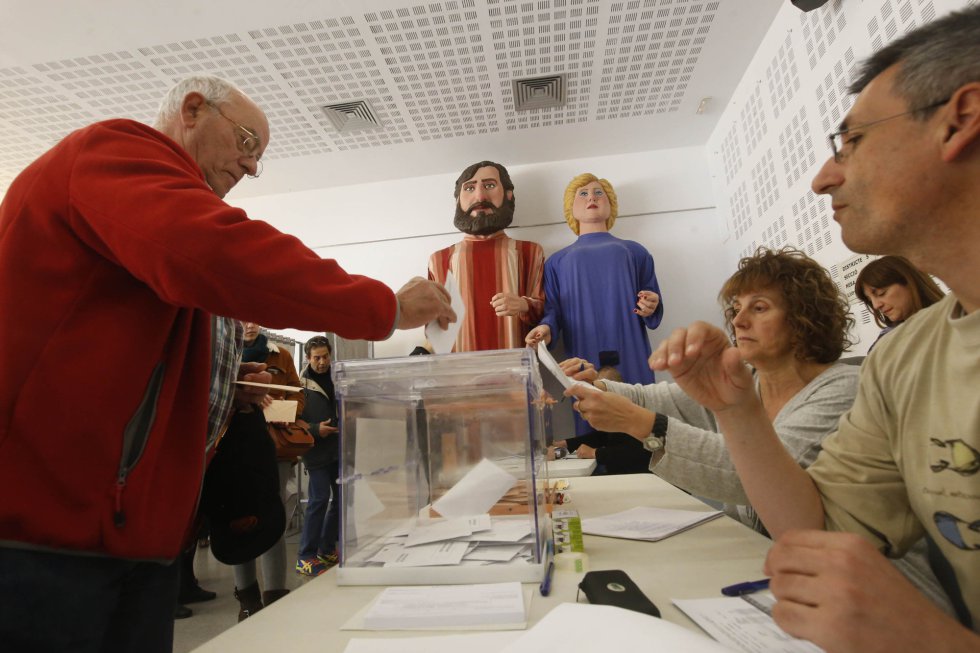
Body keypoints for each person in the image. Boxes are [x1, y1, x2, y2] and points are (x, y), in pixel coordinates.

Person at [0, 75, 454, 652]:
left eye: (259, 156)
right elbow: (218, 253)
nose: (251, 167)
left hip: (127, 534)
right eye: (245, 143)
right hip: (51, 530)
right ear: (193, 109)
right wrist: (382, 305)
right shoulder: (110, 150)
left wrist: (221, 391)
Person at [647, 7, 980, 650]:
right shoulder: (904, 356)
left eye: (851, 142)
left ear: (960, 120)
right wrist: (736, 411)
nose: (824, 175)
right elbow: (818, 527)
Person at [526, 173, 663, 435]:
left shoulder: (635, 251)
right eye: (583, 193)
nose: (592, 197)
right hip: (583, 351)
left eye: (599, 193)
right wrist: (546, 329)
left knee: (640, 415)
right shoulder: (556, 263)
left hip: (630, 347)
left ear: (610, 204)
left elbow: (651, 298)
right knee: (592, 418)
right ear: (571, 208)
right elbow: (553, 310)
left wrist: (651, 305)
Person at [428, 160, 545, 351]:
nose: (480, 195)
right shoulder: (438, 261)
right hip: (459, 374)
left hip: (517, 373)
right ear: (458, 200)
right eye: (469, 188)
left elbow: (547, 314)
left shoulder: (530, 253)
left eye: (489, 185)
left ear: (508, 195)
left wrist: (524, 305)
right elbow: (434, 330)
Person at [231, 323, 306, 620]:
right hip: (236, 450)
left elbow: (299, 394)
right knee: (240, 520)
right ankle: (247, 598)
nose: (249, 324)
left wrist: (287, 411)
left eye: (253, 318)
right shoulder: (226, 352)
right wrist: (248, 397)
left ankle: (275, 596)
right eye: (242, 317)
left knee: (273, 519)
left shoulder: (282, 355)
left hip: (276, 447)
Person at [294, 335, 341, 578]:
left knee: (342, 499)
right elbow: (292, 419)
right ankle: (305, 556)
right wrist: (315, 430)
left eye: (325, 356)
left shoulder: (340, 377)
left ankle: (325, 549)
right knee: (319, 499)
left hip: (339, 449)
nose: (321, 362)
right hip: (315, 450)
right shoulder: (300, 384)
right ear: (308, 358)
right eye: (316, 358)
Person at [556, 366, 653, 475]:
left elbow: (639, 451)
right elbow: (601, 437)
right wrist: (565, 444)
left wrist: (595, 453)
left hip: (637, 476)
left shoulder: (633, 413)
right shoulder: (613, 417)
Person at [854, 255, 945, 351]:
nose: (876, 305)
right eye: (869, 299)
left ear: (910, 282)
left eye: (881, 293)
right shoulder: (885, 342)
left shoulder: (954, 318)